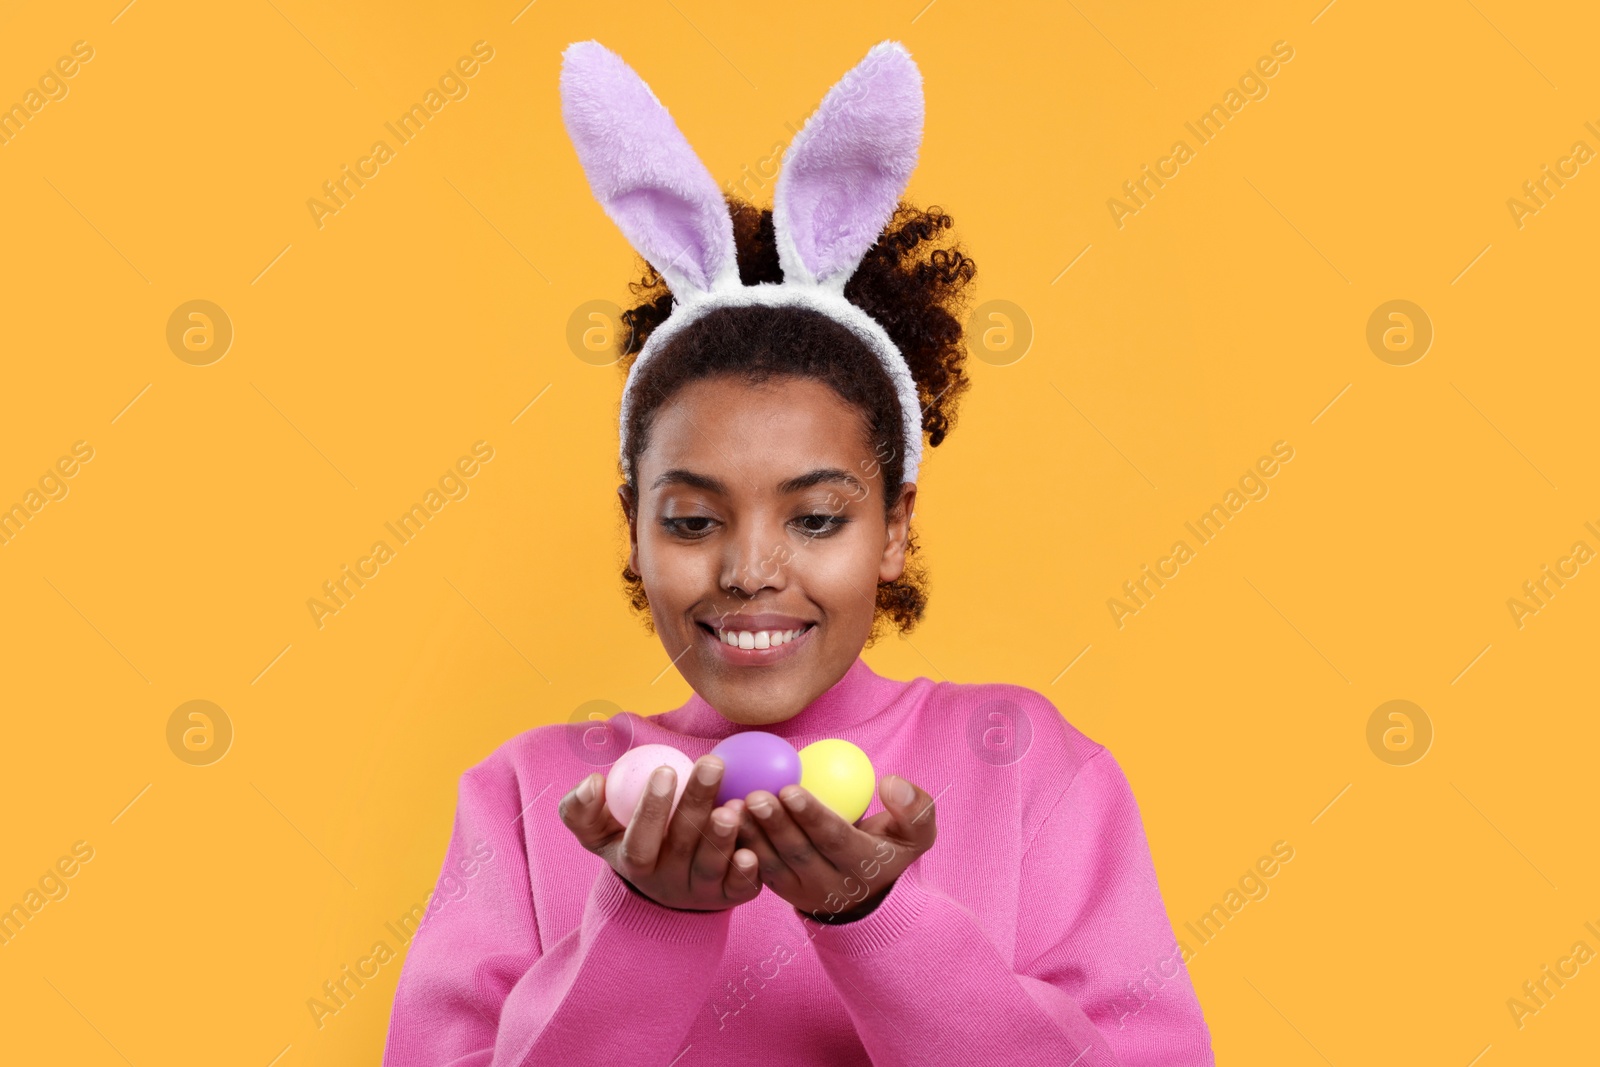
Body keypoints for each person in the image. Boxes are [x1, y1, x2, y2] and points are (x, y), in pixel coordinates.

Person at [382, 39, 1214, 1066]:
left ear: (894, 528)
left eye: (815, 517)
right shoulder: (530, 795)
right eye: (692, 519)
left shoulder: (1031, 766)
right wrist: (644, 918)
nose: (749, 569)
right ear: (634, 530)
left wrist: (879, 921)